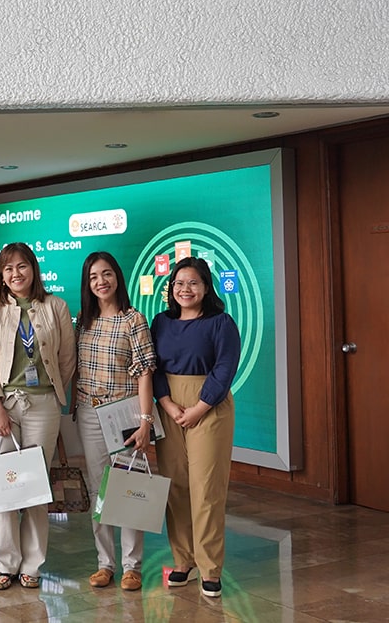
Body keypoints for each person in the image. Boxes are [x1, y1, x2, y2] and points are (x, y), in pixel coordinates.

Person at [0, 242, 76, 591]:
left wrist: (52, 394)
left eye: (22, 266)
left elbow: (67, 358)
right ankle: (4, 564)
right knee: (4, 485)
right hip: (4, 404)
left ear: (34, 269)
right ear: (1, 276)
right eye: (7, 268)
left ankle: (32, 564)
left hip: (44, 405)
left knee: (35, 486)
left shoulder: (56, 307)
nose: (15, 273)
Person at [151, 256, 240, 599]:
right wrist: (168, 404)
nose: (185, 289)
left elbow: (225, 367)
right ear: (171, 289)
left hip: (209, 405)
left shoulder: (221, 323)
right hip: (170, 405)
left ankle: (210, 567)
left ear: (205, 288)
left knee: (206, 489)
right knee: (177, 486)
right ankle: (183, 560)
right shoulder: (161, 322)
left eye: (193, 283)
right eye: (179, 283)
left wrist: (200, 408)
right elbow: (154, 366)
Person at [75, 251, 157, 592]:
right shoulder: (83, 320)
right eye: (94, 277)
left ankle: (132, 566)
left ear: (117, 277)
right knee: (100, 490)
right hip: (89, 413)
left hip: (124, 413)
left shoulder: (133, 319)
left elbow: (144, 372)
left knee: (128, 488)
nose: (101, 282)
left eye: (106, 274)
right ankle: (105, 564)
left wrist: (145, 420)